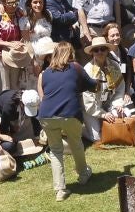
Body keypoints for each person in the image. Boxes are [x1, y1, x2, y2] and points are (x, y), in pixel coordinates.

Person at [37, 42, 96, 201]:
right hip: (70, 114)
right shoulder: (75, 67)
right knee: (76, 143)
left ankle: (60, 190)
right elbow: (92, 85)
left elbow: (43, 97)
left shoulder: (43, 74)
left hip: (46, 116)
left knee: (56, 150)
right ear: (70, 54)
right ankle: (83, 174)